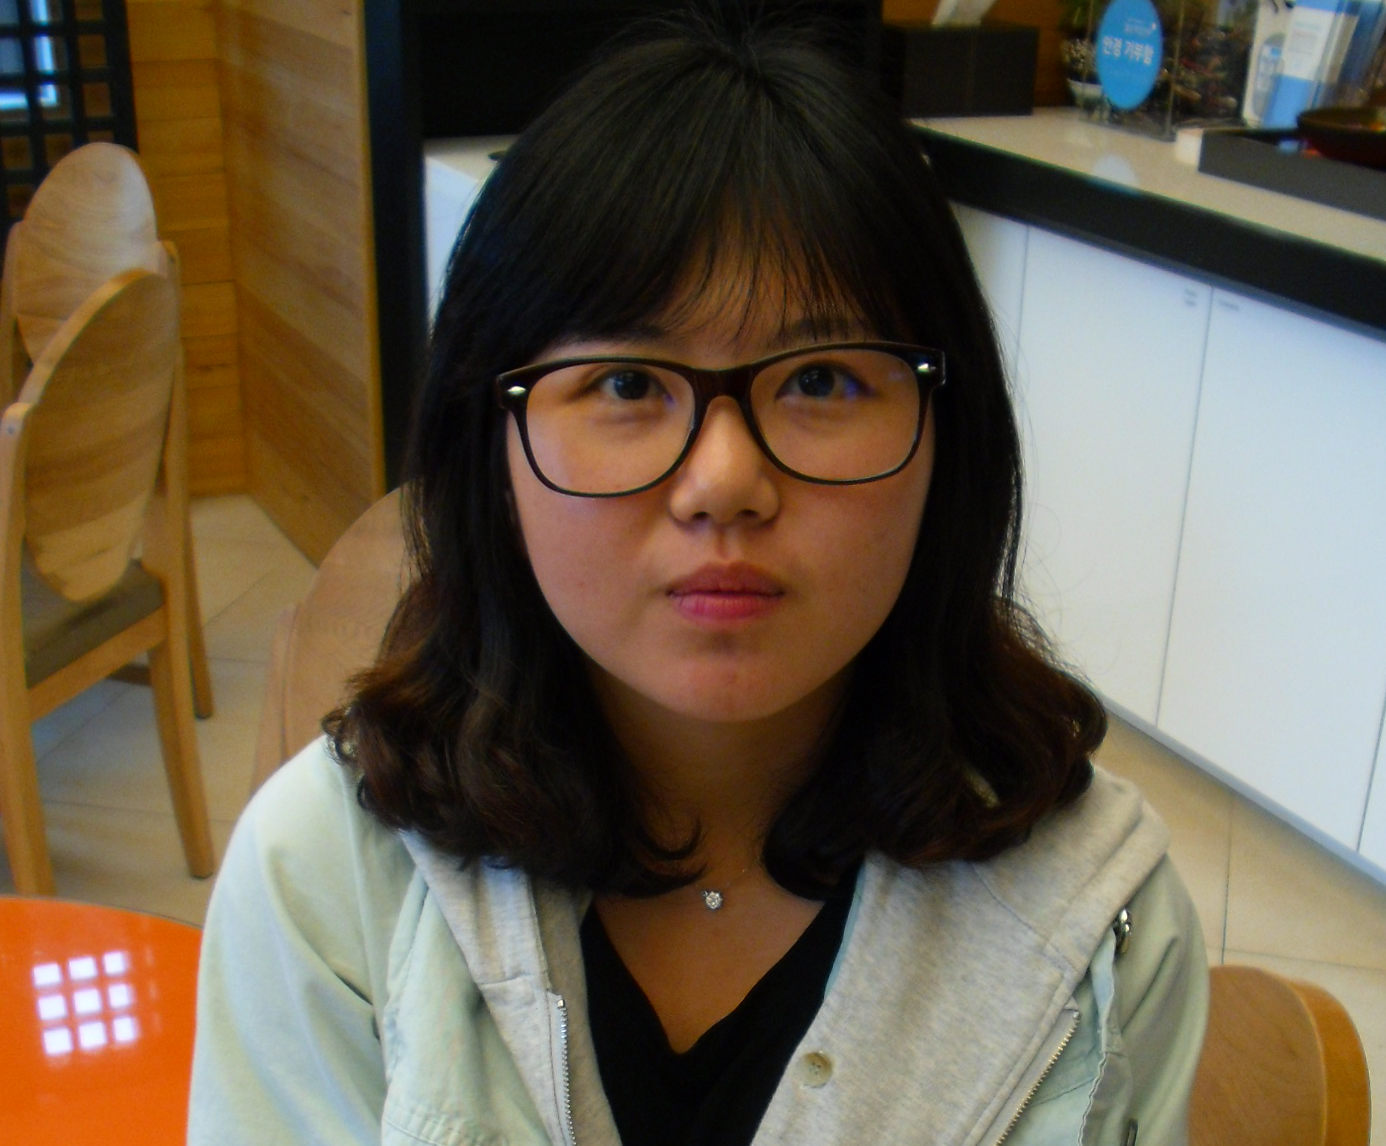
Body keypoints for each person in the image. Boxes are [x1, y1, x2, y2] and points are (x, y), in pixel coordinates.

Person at [189, 11, 1208, 1146]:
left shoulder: (1106, 930)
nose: (724, 483)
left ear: (948, 440)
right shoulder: (327, 883)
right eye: (627, 384)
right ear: (492, 447)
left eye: (821, 379)